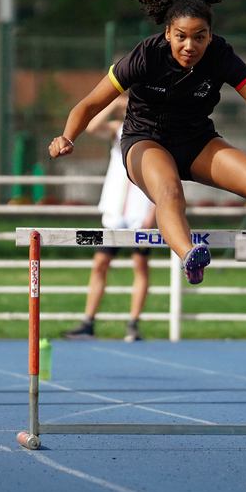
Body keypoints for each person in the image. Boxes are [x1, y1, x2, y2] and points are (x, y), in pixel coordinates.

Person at [48, 0, 246, 285]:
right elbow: (90, 103)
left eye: (199, 37)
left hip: (196, 142)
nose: (190, 46)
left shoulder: (220, 56)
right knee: (169, 193)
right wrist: (67, 137)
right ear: (168, 34)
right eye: (181, 37)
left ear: (210, 36)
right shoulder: (146, 56)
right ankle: (190, 255)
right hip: (145, 142)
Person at [63, 95, 157, 341]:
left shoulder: (159, 134)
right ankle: (88, 321)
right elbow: (92, 127)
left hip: (140, 211)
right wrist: (115, 104)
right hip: (116, 212)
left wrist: (153, 212)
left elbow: (168, 178)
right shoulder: (119, 129)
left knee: (140, 265)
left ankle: (133, 323)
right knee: (100, 264)